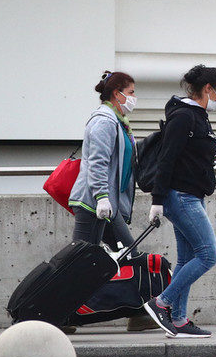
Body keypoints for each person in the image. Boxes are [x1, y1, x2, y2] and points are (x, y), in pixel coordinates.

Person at [67, 71, 156, 333]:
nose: (133, 97)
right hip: (94, 204)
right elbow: (97, 163)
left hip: (106, 205)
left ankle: (139, 313)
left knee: (127, 256)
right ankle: (60, 314)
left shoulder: (118, 121)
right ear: (116, 94)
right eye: (130, 92)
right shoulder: (104, 122)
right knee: (85, 261)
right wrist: (102, 198)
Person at [142, 65, 216, 338]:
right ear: (207, 89)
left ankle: (178, 321)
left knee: (187, 258)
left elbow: (191, 154)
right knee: (208, 255)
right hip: (181, 196)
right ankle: (161, 303)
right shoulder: (183, 117)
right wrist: (156, 200)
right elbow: (166, 159)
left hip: (191, 194)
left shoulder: (198, 116)